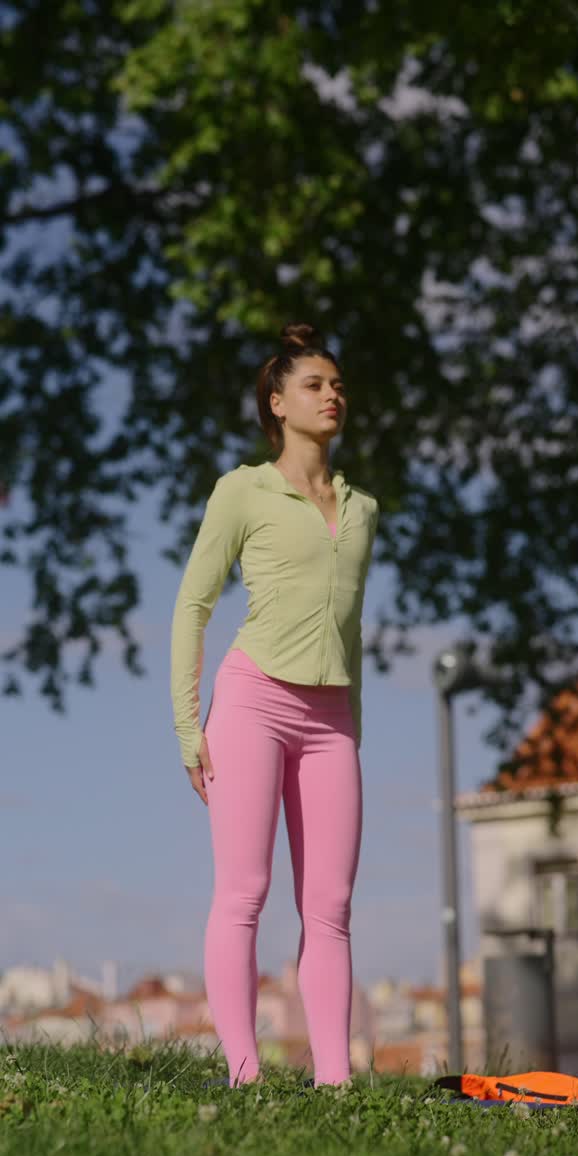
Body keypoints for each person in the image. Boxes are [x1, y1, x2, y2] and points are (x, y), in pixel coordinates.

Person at [170, 322, 379, 1090]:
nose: (334, 396)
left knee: (330, 906)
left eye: (338, 385)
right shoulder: (242, 491)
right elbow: (192, 607)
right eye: (316, 385)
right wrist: (189, 728)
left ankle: (335, 1083)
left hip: (331, 725)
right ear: (278, 401)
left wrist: (351, 726)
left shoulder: (362, 510)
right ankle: (246, 1076)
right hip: (252, 704)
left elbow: (349, 628)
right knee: (245, 893)